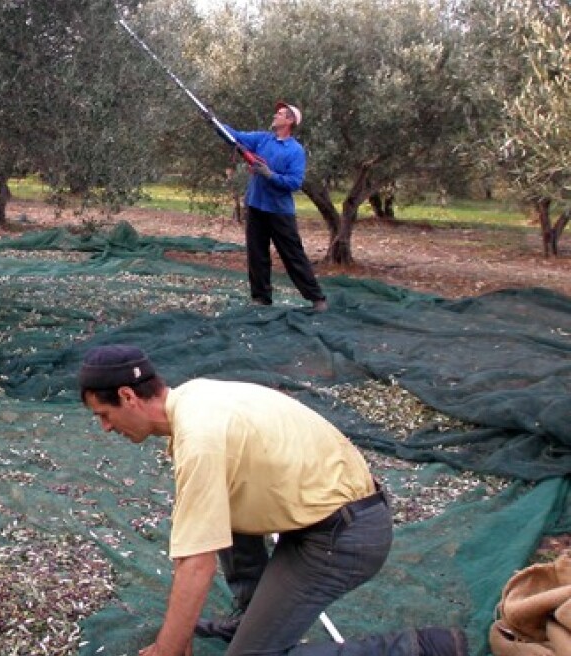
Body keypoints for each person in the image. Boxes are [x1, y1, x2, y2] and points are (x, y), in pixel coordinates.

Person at [77, 344, 468, 656]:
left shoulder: (200, 438)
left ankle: (419, 648)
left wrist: (167, 648)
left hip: (345, 537)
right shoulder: (196, 396)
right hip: (321, 514)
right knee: (216, 508)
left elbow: (197, 565)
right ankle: (252, 616)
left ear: (128, 396)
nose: (106, 428)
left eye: (104, 415)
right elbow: (201, 535)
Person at [220, 102, 328, 312]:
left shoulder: (295, 151)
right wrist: (215, 123)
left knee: (293, 255)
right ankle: (261, 298)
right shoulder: (263, 139)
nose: (275, 115)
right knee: (257, 254)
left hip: (279, 211)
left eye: (279, 114)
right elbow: (236, 137)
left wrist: (270, 175)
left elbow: (294, 183)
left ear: (290, 121)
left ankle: (317, 298)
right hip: (256, 205)